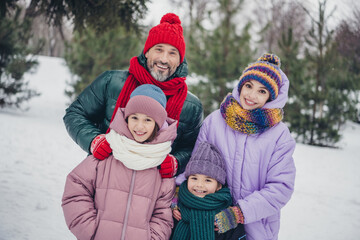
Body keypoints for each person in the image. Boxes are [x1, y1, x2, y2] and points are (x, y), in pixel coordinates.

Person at [63, 13, 203, 179]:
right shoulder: (112, 82)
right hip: (101, 178)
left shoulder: (191, 106)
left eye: (172, 53)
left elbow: (191, 148)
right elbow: (75, 113)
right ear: (147, 52)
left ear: (180, 60)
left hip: (151, 192)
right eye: (159, 49)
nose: (164, 59)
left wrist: (176, 162)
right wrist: (93, 140)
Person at [177, 53, 296, 240]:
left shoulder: (279, 136)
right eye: (248, 86)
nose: (251, 95)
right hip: (209, 223)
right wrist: (178, 197)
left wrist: (239, 213)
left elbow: (280, 187)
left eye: (262, 91)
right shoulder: (215, 121)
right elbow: (194, 165)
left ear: (271, 98)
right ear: (240, 85)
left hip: (257, 229)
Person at [62, 85, 177, 240]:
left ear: (157, 124)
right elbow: (76, 190)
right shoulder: (109, 150)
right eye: (134, 117)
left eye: (148, 120)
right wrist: (91, 231)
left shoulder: (161, 164)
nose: (139, 126)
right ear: (126, 118)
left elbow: (163, 214)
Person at [171, 142, 246, 240]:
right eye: (194, 178)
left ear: (219, 186)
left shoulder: (226, 217)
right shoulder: (177, 209)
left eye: (208, 180)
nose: (199, 185)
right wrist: (172, 203)